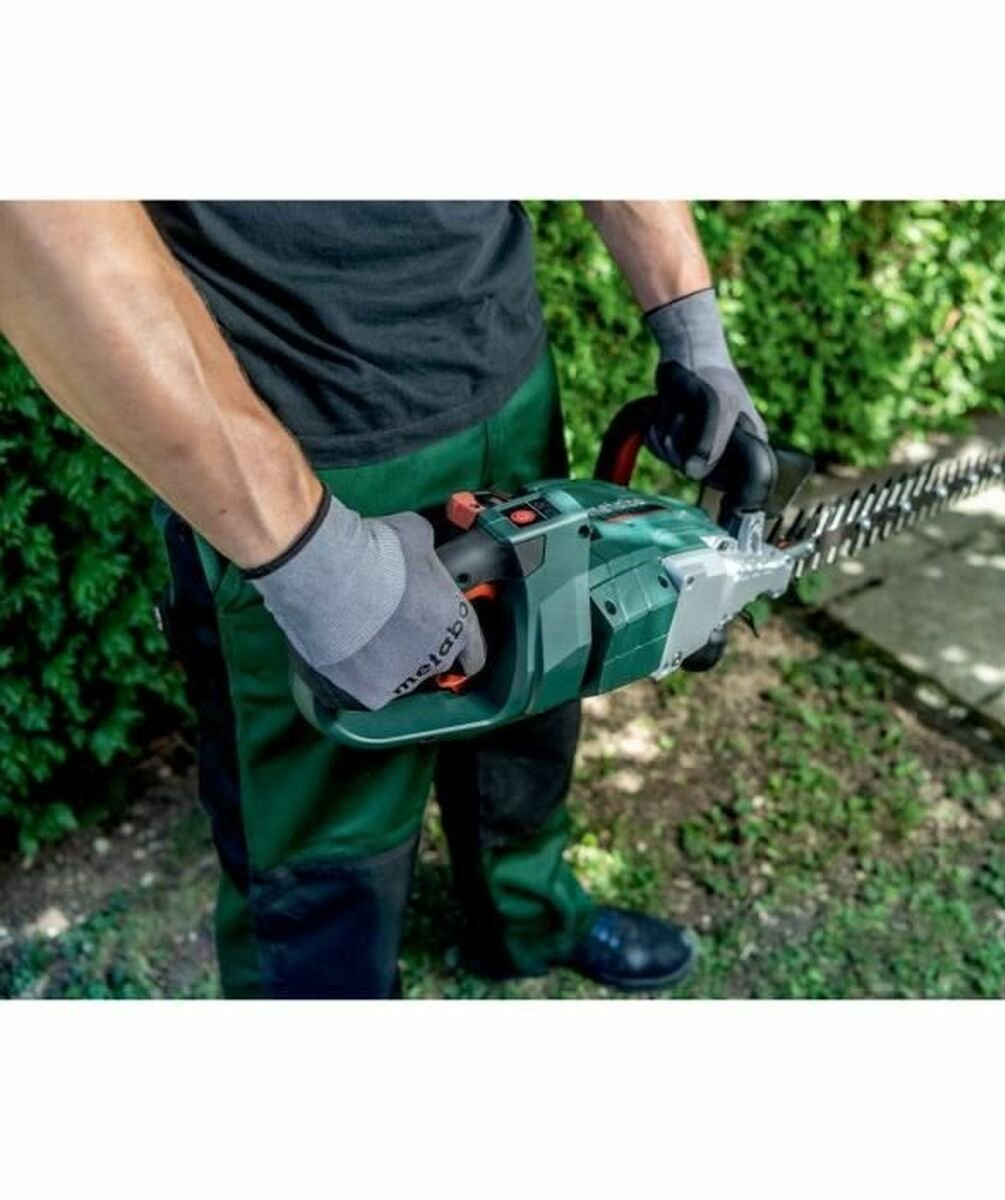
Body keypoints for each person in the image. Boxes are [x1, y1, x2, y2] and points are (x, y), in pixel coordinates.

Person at [0, 201, 769, 999]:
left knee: (535, 715)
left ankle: (529, 916)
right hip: (299, 454)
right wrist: (308, 559)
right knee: (323, 832)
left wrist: (694, 336)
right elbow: (46, 228)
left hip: (506, 376)